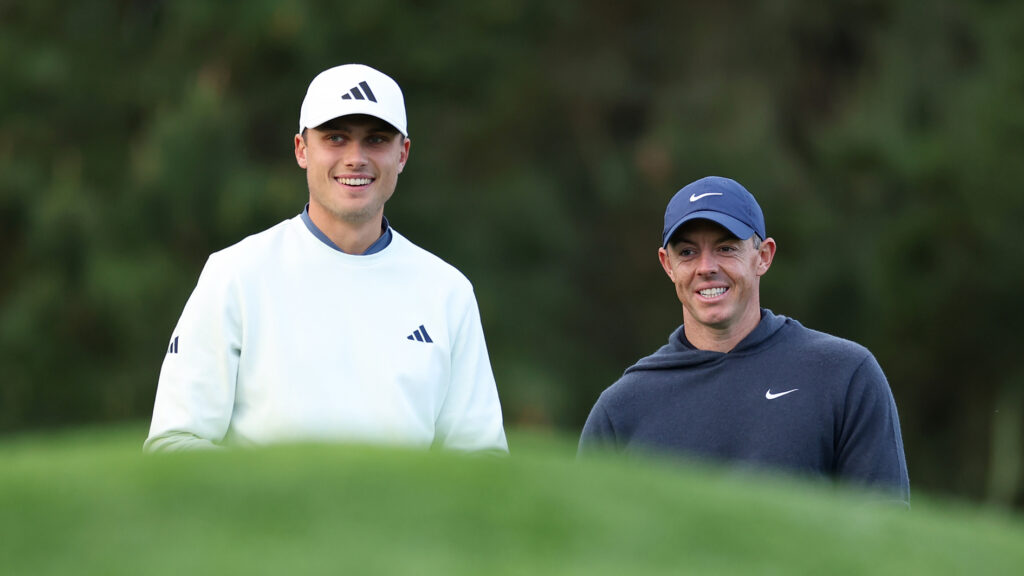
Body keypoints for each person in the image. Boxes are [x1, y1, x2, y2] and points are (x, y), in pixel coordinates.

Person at [145, 64, 508, 453]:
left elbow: (480, 461)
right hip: (263, 514)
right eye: (335, 138)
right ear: (302, 149)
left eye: (376, 140)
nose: (355, 158)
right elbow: (174, 442)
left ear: (402, 154)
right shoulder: (235, 273)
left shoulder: (447, 292)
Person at [578, 176, 909, 503]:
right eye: (688, 252)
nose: (706, 267)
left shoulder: (843, 374)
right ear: (668, 265)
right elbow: (580, 543)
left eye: (726, 248)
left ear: (763, 256)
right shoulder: (621, 410)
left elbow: (886, 538)